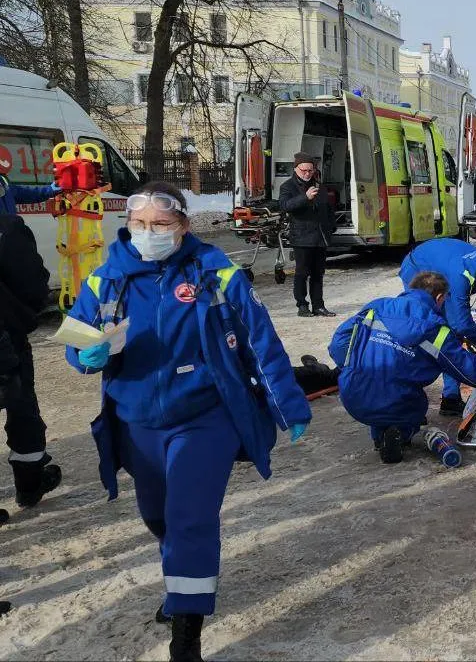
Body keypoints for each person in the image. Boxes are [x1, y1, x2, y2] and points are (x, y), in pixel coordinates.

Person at [65, 182, 311, 661]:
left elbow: (261, 340)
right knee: (158, 517)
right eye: (140, 225)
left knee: (189, 518)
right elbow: (76, 334)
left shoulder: (214, 273)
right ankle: (182, 585)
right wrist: (84, 355)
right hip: (136, 421)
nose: (148, 233)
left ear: (183, 226)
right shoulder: (105, 278)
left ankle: (187, 629)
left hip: (203, 418)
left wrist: (291, 405)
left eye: (160, 225)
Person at [329, 271, 476, 463]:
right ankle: (400, 432)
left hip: (352, 394)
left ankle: (381, 435)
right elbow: (466, 369)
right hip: (398, 401)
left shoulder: (377, 307)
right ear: (439, 297)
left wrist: (352, 368)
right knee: (416, 402)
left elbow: (338, 343)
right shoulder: (435, 328)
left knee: (380, 383)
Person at [397, 238, 476, 415]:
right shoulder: (461, 278)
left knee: (451, 333)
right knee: (431, 331)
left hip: (442, 265)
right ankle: (408, 395)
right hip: (417, 267)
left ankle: (450, 398)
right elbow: (462, 326)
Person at [0, 213, 61, 509]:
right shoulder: (6, 227)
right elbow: (31, 282)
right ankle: (29, 484)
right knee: (22, 407)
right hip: (5, 338)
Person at [278, 152, 336, 318]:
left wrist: (331, 227)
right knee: (302, 273)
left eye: (310, 170)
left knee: (318, 273)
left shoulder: (319, 186)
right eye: (304, 170)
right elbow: (285, 206)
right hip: (302, 238)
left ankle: (318, 305)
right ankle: (302, 305)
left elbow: (328, 208)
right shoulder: (288, 186)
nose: (307, 173)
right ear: (296, 169)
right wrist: (305, 197)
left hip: (320, 237)